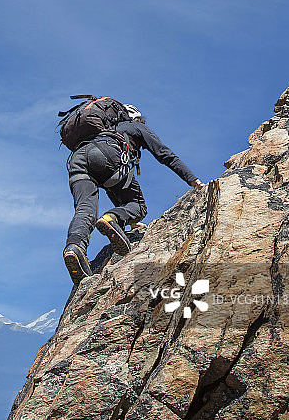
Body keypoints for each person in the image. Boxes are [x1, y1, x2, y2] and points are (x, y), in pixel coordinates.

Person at [63, 103, 204, 284]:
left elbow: (115, 189)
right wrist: (193, 180)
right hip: (107, 153)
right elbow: (164, 153)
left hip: (78, 157)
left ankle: (74, 248)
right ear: (135, 117)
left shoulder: (103, 129)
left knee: (84, 209)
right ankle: (111, 219)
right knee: (139, 206)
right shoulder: (136, 126)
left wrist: (130, 221)